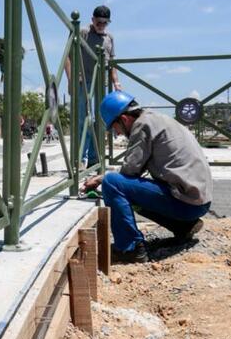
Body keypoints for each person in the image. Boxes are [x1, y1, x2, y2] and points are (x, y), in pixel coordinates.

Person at [81, 91, 212, 262]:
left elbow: (129, 172)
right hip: (198, 201)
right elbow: (135, 171)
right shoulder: (155, 118)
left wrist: (100, 179)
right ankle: (183, 226)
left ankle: (130, 248)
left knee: (112, 183)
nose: (118, 133)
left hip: (187, 203)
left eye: (115, 128)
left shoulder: (142, 125)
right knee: (126, 187)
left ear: (124, 119)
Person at [65, 5, 121, 167]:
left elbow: (111, 62)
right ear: (92, 20)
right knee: (85, 120)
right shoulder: (82, 32)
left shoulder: (109, 38)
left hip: (100, 84)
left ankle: (95, 158)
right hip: (84, 82)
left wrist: (116, 82)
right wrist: (71, 80)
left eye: (105, 23)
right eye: (99, 22)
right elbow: (68, 57)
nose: (101, 25)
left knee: (99, 121)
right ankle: (80, 159)